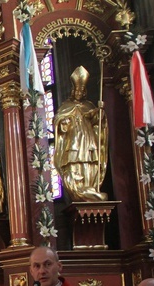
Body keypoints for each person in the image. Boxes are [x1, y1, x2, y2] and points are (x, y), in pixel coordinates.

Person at [53, 65, 109, 202]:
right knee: (74, 162)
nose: (79, 92)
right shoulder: (66, 106)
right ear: (73, 91)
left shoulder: (88, 105)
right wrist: (64, 123)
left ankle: (90, 188)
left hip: (88, 140)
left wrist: (100, 112)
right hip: (74, 142)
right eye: (77, 90)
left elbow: (98, 122)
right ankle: (79, 190)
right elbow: (59, 122)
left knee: (89, 162)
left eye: (81, 90)